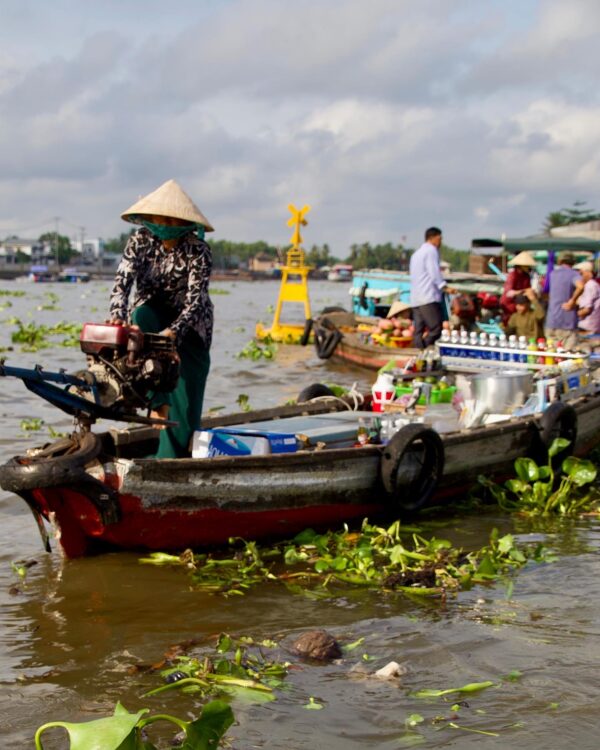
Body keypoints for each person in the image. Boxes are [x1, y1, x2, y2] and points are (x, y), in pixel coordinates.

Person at [109, 179, 214, 458]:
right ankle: (159, 400)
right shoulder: (140, 241)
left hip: (191, 328)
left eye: (170, 218)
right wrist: (118, 316)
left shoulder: (198, 250)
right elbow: (122, 283)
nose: (163, 222)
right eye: (158, 217)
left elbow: (195, 299)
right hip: (152, 316)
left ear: (182, 221)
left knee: (187, 414)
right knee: (140, 314)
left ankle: (172, 461)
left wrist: (174, 331)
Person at [409, 227, 454, 348]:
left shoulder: (416, 254)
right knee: (436, 329)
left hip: (416, 298)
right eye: (440, 239)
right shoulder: (431, 251)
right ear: (433, 238)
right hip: (428, 297)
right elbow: (434, 272)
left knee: (418, 331)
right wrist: (444, 287)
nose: (441, 242)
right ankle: (423, 349)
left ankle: (417, 351)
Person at [545, 252, 584, 350]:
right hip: (567, 323)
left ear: (560, 261)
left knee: (552, 356)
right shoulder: (573, 274)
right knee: (567, 358)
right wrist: (572, 301)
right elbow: (581, 286)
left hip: (551, 321)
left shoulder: (552, 274)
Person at [500, 251, 536, 325]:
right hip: (509, 306)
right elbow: (509, 293)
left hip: (521, 306)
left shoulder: (526, 277)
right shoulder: (512, 275)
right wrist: (524, 291)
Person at [574, 260, 600, 335]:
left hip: (587, 327)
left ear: (588, 272)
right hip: (589, 326)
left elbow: (587, 309)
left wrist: (572, 316)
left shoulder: (590, 285)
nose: (579, 276)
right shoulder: (591, 284)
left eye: (581, 273)